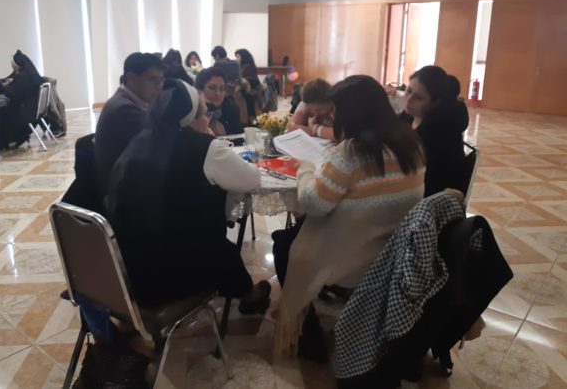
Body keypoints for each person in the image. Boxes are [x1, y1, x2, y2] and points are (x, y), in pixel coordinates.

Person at [274, 75, 425, 360]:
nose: (334, 117)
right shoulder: (411, 143)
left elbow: (314, 203)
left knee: (284, 245)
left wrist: (305, 168)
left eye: (336, 112)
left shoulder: (351, 152)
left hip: (360, 255)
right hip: (397, 250)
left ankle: (308, 332)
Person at [107, 80, 271, 312]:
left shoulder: (139, 141)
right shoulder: (204, 148)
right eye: (204, 114)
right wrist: (211, 141)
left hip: (130, 269)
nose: (208, 119)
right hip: (178, 271)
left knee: (203, 239)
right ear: (188, 120)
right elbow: (251, 179)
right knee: (218, 248)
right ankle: (250, 296)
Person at [94, 52, 165, 198]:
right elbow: (157, 146)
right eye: (152, 79)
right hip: (122, 193)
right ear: (131, 78)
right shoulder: (124, 109)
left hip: (129, 179)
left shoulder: (130, 101)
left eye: (161, 80)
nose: (159, 86)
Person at [401, 65, 469, 197]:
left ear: (435, 102)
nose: (409, 100)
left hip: (429, 198)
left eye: (418, 97)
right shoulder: (408, 117)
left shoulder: (439, 133)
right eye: (408, 91)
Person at [1, 50, 46, 147]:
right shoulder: (29, 74)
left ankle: (9, 139)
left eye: (12, 64)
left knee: (1, 111)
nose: (11, 66)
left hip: (26, 111)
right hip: (35, 109)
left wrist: (4, 87)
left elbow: (10, 94)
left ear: (17, 65)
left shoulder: (21, 76)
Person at [195, 67, 243, 135]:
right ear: (200, 90)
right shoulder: (194, 110)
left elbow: (239, 134)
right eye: (212, 88)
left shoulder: (231, 108)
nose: (218, 93)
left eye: (222, 88)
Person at [233, 48, 264, 124]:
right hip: (251, 93)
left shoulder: (246, 67)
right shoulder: (249, 66)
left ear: (243, 57)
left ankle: (248, 120)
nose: (236, 59)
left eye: (238, 57)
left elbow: (245, 82)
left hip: (250, 94)